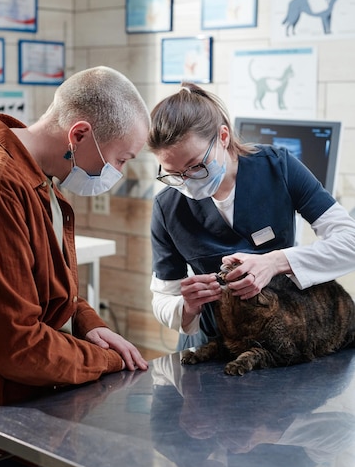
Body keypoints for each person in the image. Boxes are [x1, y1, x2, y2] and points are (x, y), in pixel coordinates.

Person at [0, 66, 150, 467]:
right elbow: (16, 343)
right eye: (121, 159)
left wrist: (89, 324)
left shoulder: (38, 177)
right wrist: (107, 361)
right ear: (79, 134)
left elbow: (53, 289)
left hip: (27, 405)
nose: (117, 171)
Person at [147, 82, 355, 349]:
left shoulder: (278, 168)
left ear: (223, 137)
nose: (187, 181)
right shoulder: (168, 207)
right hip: (209, 342)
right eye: (173, 174)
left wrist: (276, 262)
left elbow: (350, 241)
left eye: (195, 166)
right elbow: (163, 299)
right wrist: (187, 307)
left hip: (278, 339)